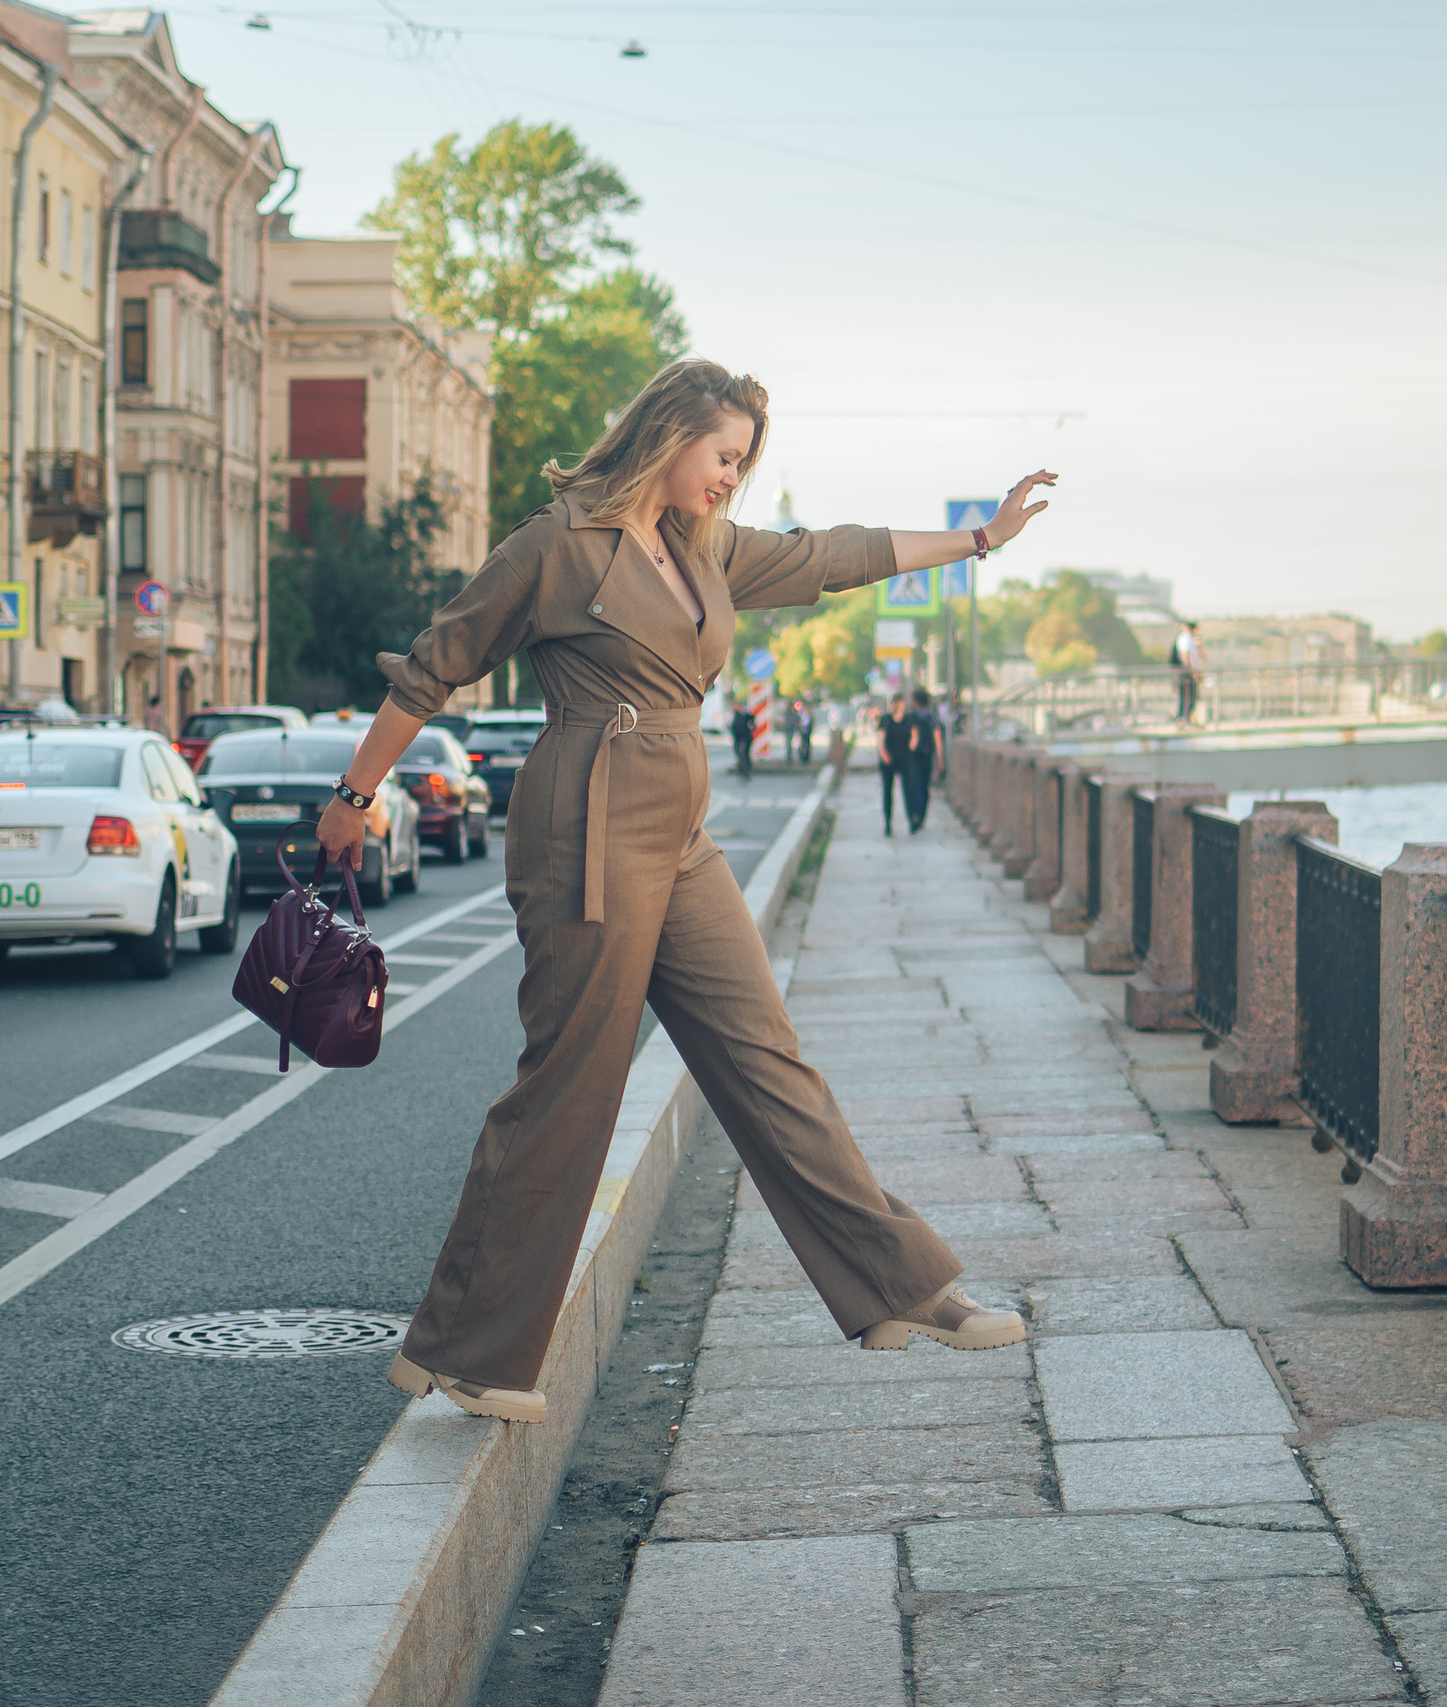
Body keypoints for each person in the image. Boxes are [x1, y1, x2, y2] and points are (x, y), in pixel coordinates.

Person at [316, 357, 1057, 1422]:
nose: (730, 478)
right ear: (669, 433)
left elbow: (832, 555)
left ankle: (899, 1285)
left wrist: (980, 537)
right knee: (572, 1080)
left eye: (742, 462)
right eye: (722, 455)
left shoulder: (704, 548)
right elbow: (435, 666)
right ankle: (469, 1350)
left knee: (766, 1056)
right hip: (586, 823)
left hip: (679, 830)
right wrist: (355, 794)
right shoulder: (555, 545)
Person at [898, 684, 943, 833]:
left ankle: (914, 815)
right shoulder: (932, 717)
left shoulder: (910, 717)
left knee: (912, 786)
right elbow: (938, 739)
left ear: (915, 702)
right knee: (924, 786)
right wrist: (940, 759)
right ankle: (921, 815)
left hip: (911, 757)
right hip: (927, 756)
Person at [874, 695, 906, 835]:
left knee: (908, 789)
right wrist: (883, 754)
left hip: (903, 759)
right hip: (888, 760)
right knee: (888, 791)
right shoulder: (886, 720)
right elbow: (880, 738)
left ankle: (912, 818)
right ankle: (887, 821)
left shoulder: (907, 719)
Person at [1171, 620, 1203, 723]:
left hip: (1186, 672)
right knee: (1187, 696)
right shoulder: (1186, 638)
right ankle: (1183, 719)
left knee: (1189, 696)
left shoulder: (1189, 638)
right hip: (1186, 673)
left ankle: (1186, 718)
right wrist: (1192, 671)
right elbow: (1186, 656)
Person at [728, 699, 757, 777]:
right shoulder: (738, 715)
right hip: (740, 737)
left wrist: (753, 727)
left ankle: (745, 769)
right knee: (741, 753)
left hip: (744, 737)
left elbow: (752, 718)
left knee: (744, 754)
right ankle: (744, 769)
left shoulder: (741, 715)